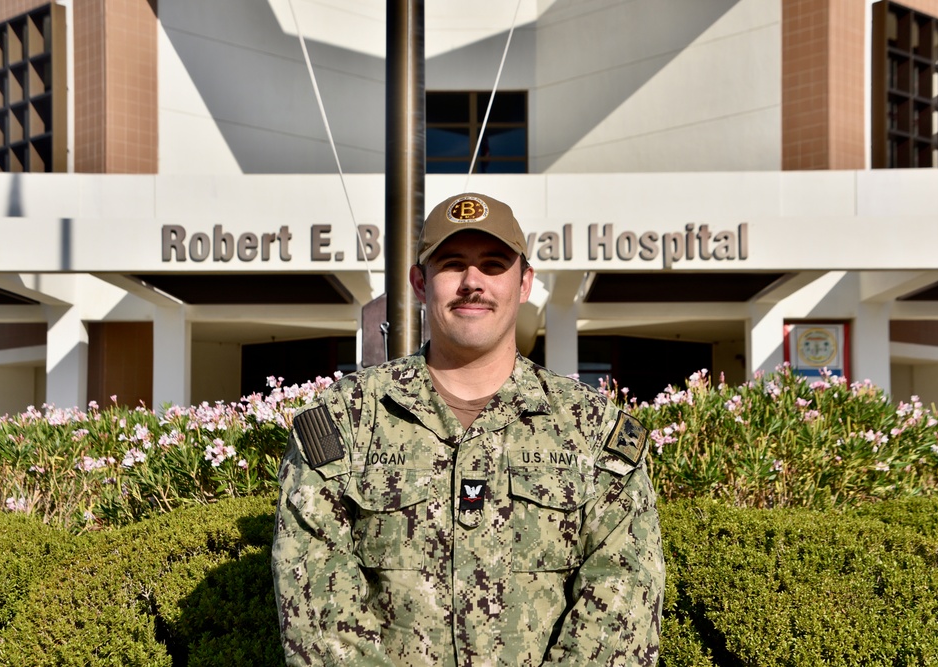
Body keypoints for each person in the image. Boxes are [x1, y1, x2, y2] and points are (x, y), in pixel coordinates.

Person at [271, 192, 665, 666]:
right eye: (453, 264)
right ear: (420, 282)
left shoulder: (590, 428)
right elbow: (314, 599)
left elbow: (624, 593)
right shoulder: (347, 420)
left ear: (524, 283)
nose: (473, 282)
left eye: (494, 264)